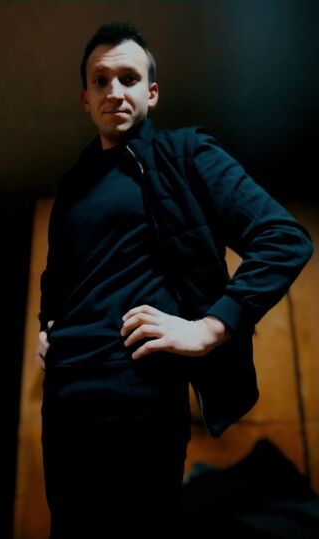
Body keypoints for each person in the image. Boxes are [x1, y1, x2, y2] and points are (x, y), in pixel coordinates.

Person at [36, 21, 313, 539]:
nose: (114, 90)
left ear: (152, 92)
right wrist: (46, 327)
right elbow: (59, 275)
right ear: (85, 98)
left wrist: (211, 327)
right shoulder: (72, 186)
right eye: (100, 80)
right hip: (65, 398)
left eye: (128, 78)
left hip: (137, 389)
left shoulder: (185, 154)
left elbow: (284, 238)